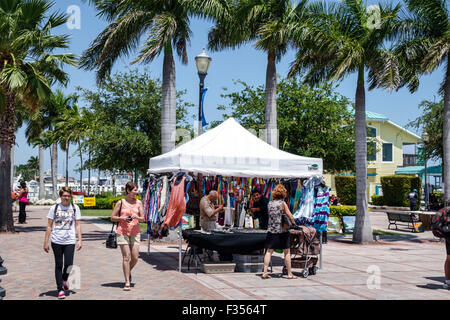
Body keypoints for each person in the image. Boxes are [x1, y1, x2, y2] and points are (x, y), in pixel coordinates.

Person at [43, 187, 82, 299]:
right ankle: (60, 289)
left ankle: (64, 279)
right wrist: (46, 242)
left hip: (70, 240)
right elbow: (49, 226)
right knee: (59, 264)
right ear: (61, 196)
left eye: (68, 195)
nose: (66, 197)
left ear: (70, 196)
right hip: (56, 240)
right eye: (64, 195)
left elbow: (78, 225)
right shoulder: (54, 208)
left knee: (69, 264)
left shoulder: (75, 208)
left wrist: (80, 240)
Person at [111, 182, 145, 291]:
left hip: (135, 232)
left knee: (135, 257)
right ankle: (127, 281)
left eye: (136, 190)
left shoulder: (139, 203)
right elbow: (112, 217)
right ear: (128, 191)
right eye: (134, 190)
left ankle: (128, 271)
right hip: (122, 232)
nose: (136, 192)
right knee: (126, 257)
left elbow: (143, 218)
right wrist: (122, 218)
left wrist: (137, 217)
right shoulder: (120, 202)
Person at [262, 184, 297, 280]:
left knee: (268, 251)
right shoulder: (282, 203)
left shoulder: (269, 203)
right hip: (282, 231)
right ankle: (289, 273)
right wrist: (294, 223)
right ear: (283, 193)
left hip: (271, 230)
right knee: (287, 252)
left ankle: (265, 272)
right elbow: (290, 215)